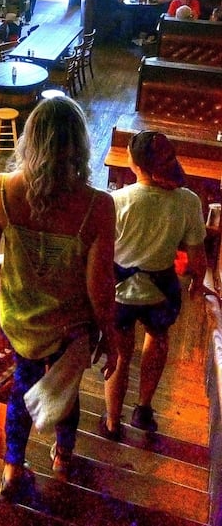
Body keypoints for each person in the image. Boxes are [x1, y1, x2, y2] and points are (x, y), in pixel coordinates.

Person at [0, 96, 117, 497]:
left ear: (29, 139)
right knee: (65, 389)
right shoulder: (98, 206)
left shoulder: (1, 189)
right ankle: (63, 457)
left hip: (20, 320)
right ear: (80, 145)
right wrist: (111, 335)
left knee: (22, 387)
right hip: (72, 325)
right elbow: (99, 286)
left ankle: (12, 469)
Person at [101, 131, 206, 440]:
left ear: (134, 163)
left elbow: (101, 253)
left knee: (121, 355)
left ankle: (112, 421)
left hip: (120, 293)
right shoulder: (188, 201)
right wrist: (197, 283)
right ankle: (144, 408)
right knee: (157, 341)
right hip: (161, 291)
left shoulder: (116, 201)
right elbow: (197, 258)